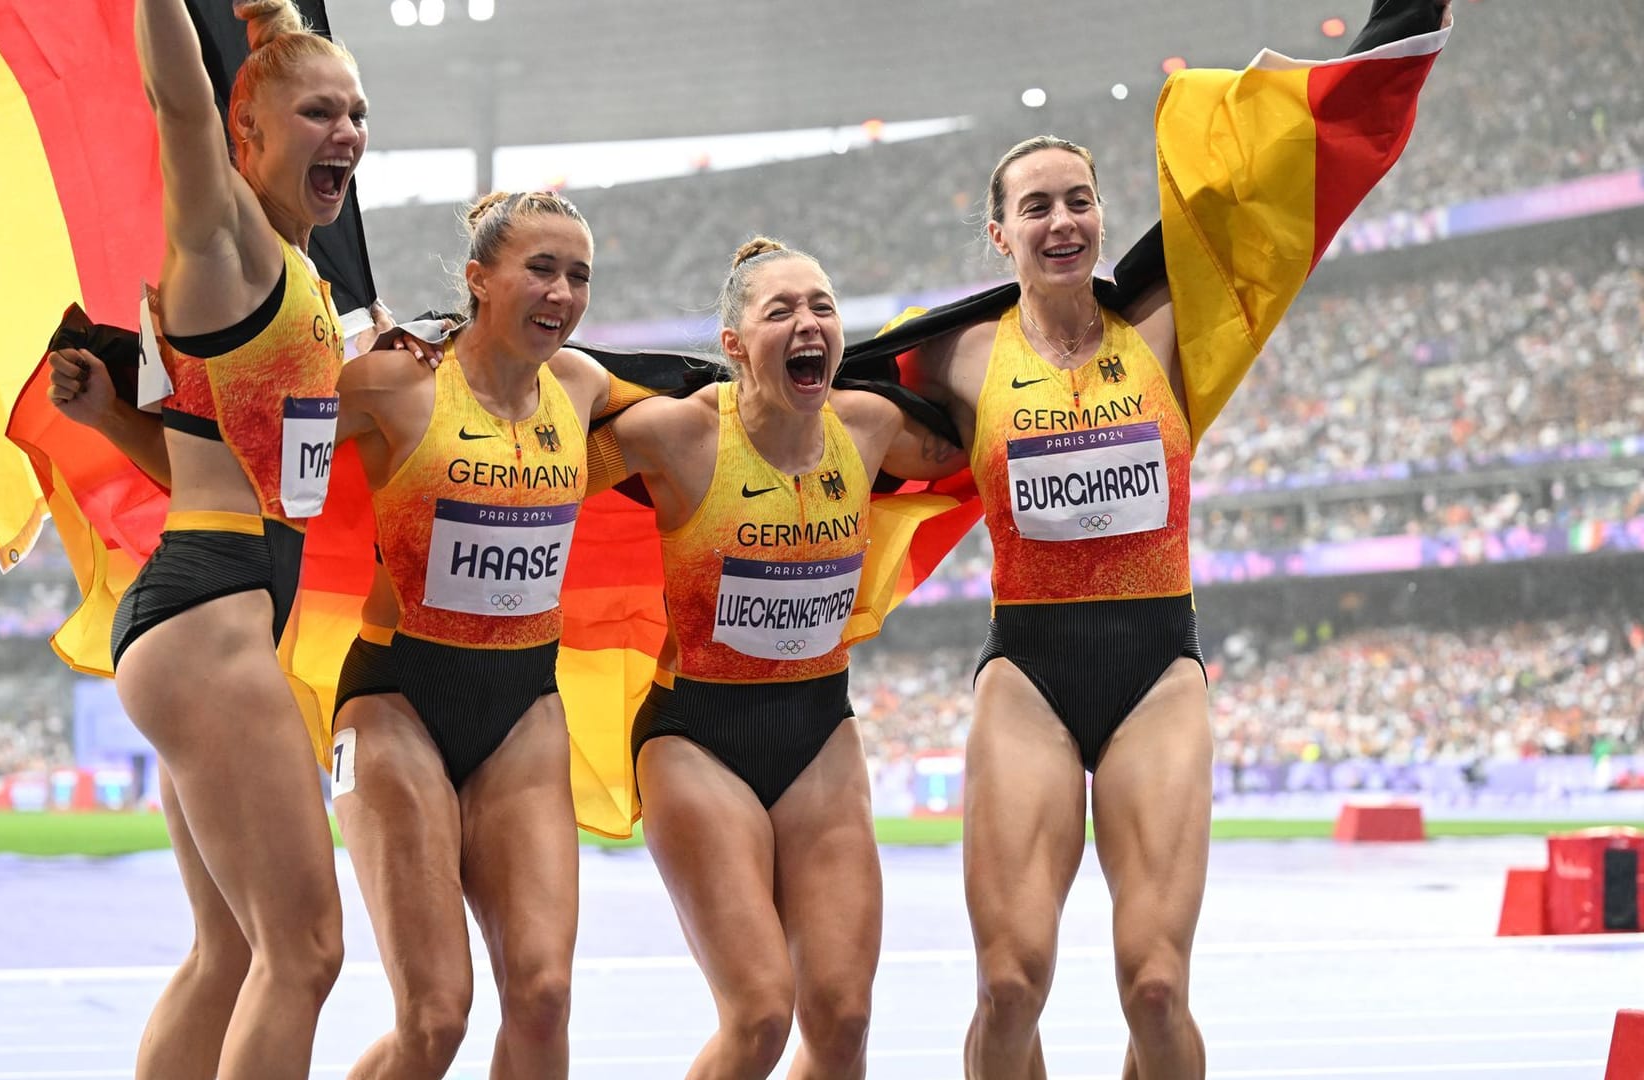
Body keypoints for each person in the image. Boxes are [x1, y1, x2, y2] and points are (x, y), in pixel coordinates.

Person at [874, 5, 1453, 1076]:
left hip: (1155, 671)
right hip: (1027, 676)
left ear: (1102, 217)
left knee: (1154, 984)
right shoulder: (956, 358)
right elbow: (798, 410)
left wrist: (1399, 29)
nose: (1062, 221)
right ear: (999, 234)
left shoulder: (1174, 325)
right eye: (1035, 206)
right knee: (1008, 985)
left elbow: (1281, 194)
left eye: (1080, 201)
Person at [44, 1, 368, 1075]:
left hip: (206, 606)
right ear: (249, 138)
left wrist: (110, 422)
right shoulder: (226, 239)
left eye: (357, 113)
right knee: (306, 951)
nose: (348, 132)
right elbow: (179, 102)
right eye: (318, 111)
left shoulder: (301, 275)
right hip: (211, 618)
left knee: (233, 949)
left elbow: (204, 470)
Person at [587, 238, 966, 1079]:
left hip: (819, 734)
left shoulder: (867, 427)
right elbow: (532, 473)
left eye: (822, 307)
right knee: (759, 1014)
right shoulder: (674, 434)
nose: (808, 324)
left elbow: (977, 451)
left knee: (842, 1019)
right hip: (696, 738)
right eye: (782, 310)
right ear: (733, 345)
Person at [325, 189, 602, 1080]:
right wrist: (116, 410)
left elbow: (713, 406)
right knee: (437, 1015)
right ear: (479, 279)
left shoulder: (585, 387)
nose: (561, 291)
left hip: (525, 705)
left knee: (544, 996)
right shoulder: (395, 384)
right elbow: (247, 434)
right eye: (541, 268)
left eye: (579, 275)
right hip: (392, 699)